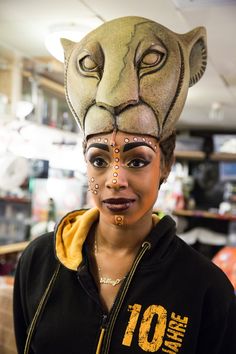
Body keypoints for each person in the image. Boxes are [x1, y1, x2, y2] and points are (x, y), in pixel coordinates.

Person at [13, 16, 236, 354]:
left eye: (137, 161)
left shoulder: (206, 288)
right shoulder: (40, 261)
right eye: (99, 161)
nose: (114, 180)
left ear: (166, 163)